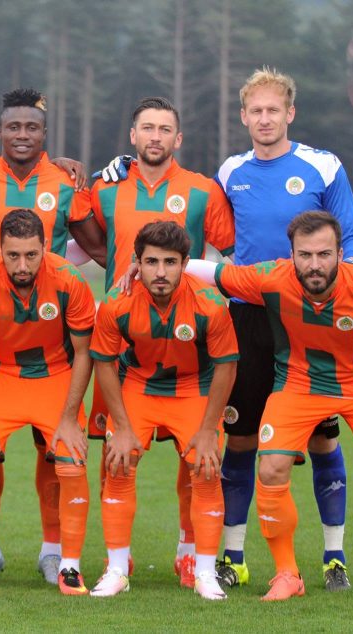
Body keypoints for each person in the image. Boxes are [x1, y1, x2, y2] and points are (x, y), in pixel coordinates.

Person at [186, 211, 353, 602]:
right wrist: (144, 264)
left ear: (340, 254)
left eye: (324, 254)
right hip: (298, 386)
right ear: (292, 255)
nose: (315, 264)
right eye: (305, 255)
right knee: (271, 468)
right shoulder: (272, 278)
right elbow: (213, 273)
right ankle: (287, 575)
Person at [0, 88, 106, 583]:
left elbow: (100, 248)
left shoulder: (66, 180)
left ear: (45, 133)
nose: (22, 135)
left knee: (54, 453)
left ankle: (53, 552)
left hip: (53, 337)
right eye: (13, 127)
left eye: (32, 127)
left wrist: (134, 279)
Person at [212, 68, 353, 590]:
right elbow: (211, 231)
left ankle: (334, 558)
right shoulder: (230, 171)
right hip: (246, 317)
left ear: (290, 114)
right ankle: (233, 557)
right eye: (255, 111)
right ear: (243, 116)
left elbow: (352, 236)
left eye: (273, 110)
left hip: (307, 319)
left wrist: (349, 287)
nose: (265, 119)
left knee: (322, 438)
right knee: (241, 437)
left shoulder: (323, 166)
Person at [89, 96, 236, 584]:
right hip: (126, 339)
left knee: (196, 457)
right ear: (132, 136)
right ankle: (117, 560)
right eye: (147, 128)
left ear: (178, 138)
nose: (155, 136)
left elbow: (232, 255)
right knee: (115, 454)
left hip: (188, 340)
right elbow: (79, 233)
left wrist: (191, 281)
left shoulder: (202, 190)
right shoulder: (106, 187)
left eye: (164, 129)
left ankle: (189, 551)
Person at [0, 209, 96, 595]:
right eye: (13, 255)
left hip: (55, 376)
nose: (22, 265)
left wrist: (69, 418)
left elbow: (84, 352)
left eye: (31, 255)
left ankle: (67, 564)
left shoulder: (69, 280)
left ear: (45, 247)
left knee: (71, 460)